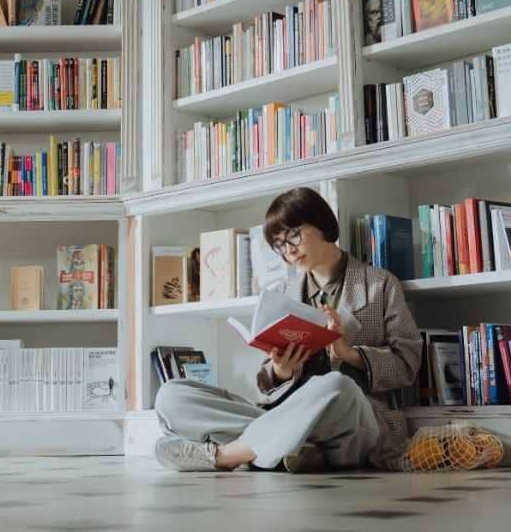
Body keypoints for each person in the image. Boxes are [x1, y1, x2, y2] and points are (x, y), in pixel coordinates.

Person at [154, 187, 422, 473]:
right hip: (285, 411)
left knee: (336, 385)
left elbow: (407, 364)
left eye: (293, 235)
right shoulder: (280, 293)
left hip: (355, 419)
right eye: (279, 244)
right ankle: (296, 448)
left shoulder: (380, 285)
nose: (289, 250)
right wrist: (280, 371)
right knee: (171, 394)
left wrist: (349, 353)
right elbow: (267, 380)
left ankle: (225, 455)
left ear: (322, 224)